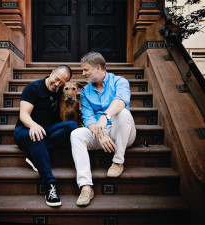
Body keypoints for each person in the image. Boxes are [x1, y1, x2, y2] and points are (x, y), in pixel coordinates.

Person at [70, 52, 136, 206]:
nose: (83, 73)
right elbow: (87, 117)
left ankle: (118, 161)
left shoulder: (120, 81)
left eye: (86, 70)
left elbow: (121, 101)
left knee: (123, 113)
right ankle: (86, 187)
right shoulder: (86, 91)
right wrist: (100, 135)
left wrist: (105, 117)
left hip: (122, 132)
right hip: (102, 134)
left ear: (98, 68)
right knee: (76, 134)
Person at [13, 65, 78, 207]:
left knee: (72, 126)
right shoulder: (33, 88)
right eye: (56, 79)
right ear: (51, 73)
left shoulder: (60, 92)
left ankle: (33, 155)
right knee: (38, 134)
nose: (57, 84)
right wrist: (33, 125)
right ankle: (50, 185)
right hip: (24, 130)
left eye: (62, 83)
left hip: (46, 130)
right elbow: (24, 114)